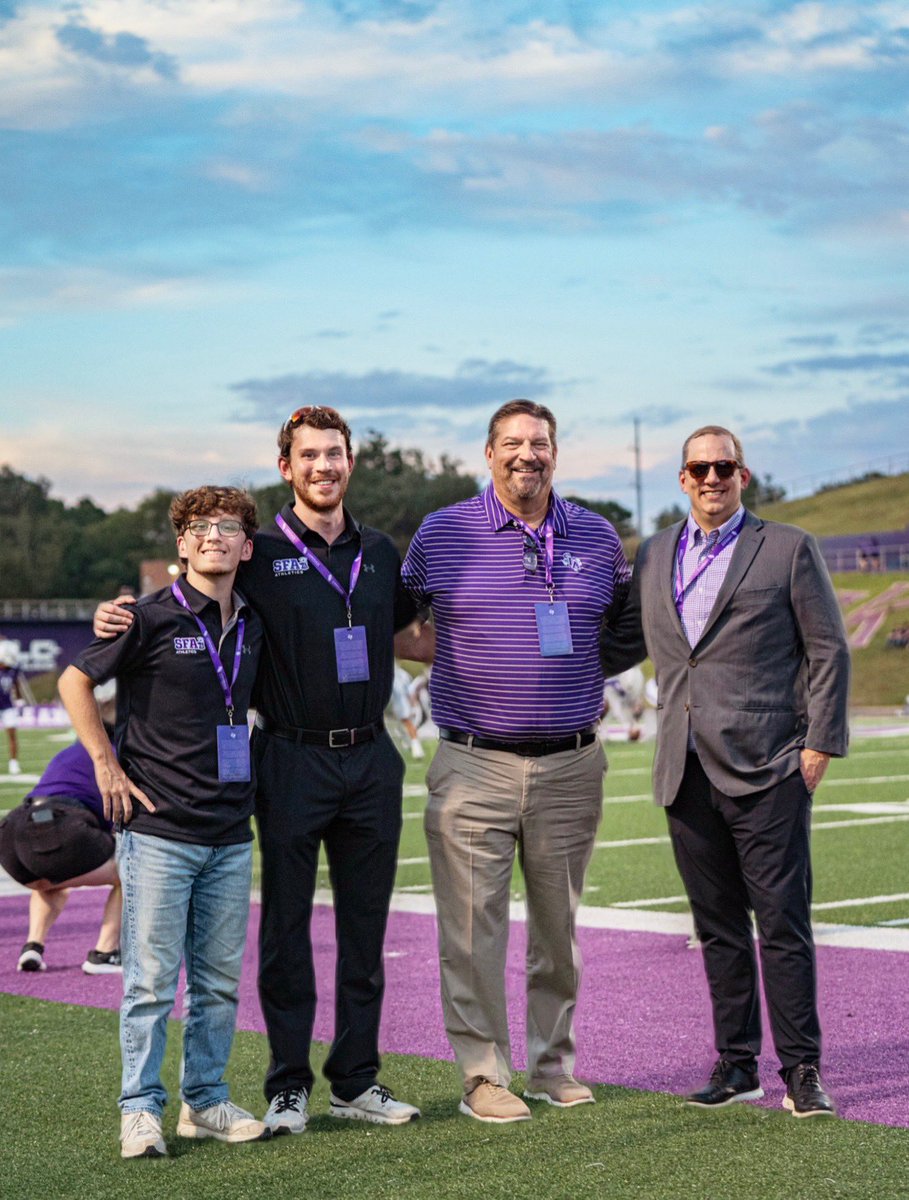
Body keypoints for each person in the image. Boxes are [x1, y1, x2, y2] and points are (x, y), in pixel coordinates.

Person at [94, 407, 424, 1134]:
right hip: (288, 757)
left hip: (370, 757)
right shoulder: (257, 550)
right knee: (285, 931)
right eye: (309, 456)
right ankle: (287, 1086)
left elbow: (407, 631)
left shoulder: (381, 550)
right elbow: (187, 599)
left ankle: (356, 1081)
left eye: (334, 454)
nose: (323, 467)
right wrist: (117, 613)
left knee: (365, 932)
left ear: (350, 463)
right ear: (287, 467)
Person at [600, 425, 850, 1119]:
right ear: (681, 479)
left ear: (743, 475)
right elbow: (621, 642)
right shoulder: (653, 554)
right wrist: (529, 657)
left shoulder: (787, 547)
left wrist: (817, 746)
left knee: (782, 925)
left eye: (723, 467)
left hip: (768, 765)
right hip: (682, 768)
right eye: (698, 468)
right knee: (715, 928)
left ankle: (801, 1069)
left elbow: (827, 649)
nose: (711, 478)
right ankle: (736, 1065)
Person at [401, 399, 631, 1123]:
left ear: (555, 453)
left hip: (570, 762)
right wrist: (468, 653)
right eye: (511, 443)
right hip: (473, 760)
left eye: (538, 442)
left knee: (557, 930)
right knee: (471, 931)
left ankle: (552, 1065)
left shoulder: (595, 536)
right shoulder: (443, 532)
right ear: (487, 453)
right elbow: (391, 620)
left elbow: (621, 629)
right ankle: (481, 1074)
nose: (525, 454)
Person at [60, 486, 270, 1158]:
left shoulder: (254, 620)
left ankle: (204, 1102)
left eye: (229, 526)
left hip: (232, 832)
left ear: (246, 544)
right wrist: (104, 765)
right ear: (182, 543)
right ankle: (139, 1109)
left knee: (214, 982)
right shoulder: (145, 618)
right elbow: (72, 681)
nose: (214, 535)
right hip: (158, 834)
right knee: (150, 982)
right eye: (200, 526)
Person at [0, 682, 122, 975]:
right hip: (63, 826)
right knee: (136, 869)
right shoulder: (116, 754)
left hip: (13, 833)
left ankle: (33, 947)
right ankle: (105, 953)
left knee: (49, 880)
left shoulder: (72, 751)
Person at [0, 641, 27, 775]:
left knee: (12, 735)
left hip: (7, 705)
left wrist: (20, 699)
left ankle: (13, 763)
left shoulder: (12, 670)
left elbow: (15, 685)